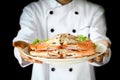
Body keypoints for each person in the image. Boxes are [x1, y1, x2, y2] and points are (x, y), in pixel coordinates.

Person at [12, 0, 111, 80]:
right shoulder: (32, 9)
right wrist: (21, 48)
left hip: (80, 76)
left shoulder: (94, 10)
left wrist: (102, 49)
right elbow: (25, 37)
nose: (62, 43)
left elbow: (98, 41)